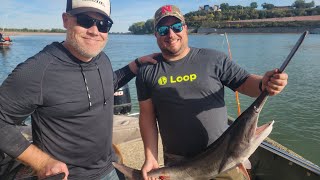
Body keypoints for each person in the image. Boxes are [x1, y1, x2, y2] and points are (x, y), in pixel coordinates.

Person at [0, 0, 156, 179]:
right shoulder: (38, 70)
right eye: (85, 20)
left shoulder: (101, 59)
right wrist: (41, 162)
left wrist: (135, 66)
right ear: (66, 20)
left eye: (104, 24)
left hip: (110, 167)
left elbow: (107, 83)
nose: (95, 31)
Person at [136, 4, 288, 180]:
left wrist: (265, 83)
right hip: (178, 163)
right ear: (156, 34)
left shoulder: (213, 59)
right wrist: (151, 157)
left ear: (185, 28)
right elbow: (147, 116)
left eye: (177, 27)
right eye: (163, 30)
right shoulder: (147, 71)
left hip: (225, 155)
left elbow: (245, 83)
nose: (171, 34)